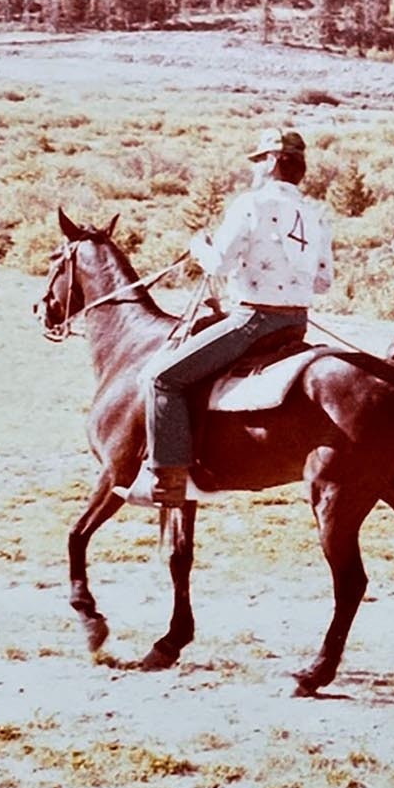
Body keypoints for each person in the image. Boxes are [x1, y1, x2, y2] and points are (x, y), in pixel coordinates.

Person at [119, 127, 334, 507]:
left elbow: (219, 264)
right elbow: (322, 282)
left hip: (252, 321)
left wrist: (198, 245)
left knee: (161, 377)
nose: (254, 168)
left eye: (258, 160)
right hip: (296, 323)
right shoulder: (315, 214)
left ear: (271, 161)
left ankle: (167, 480)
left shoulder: (251, 204)